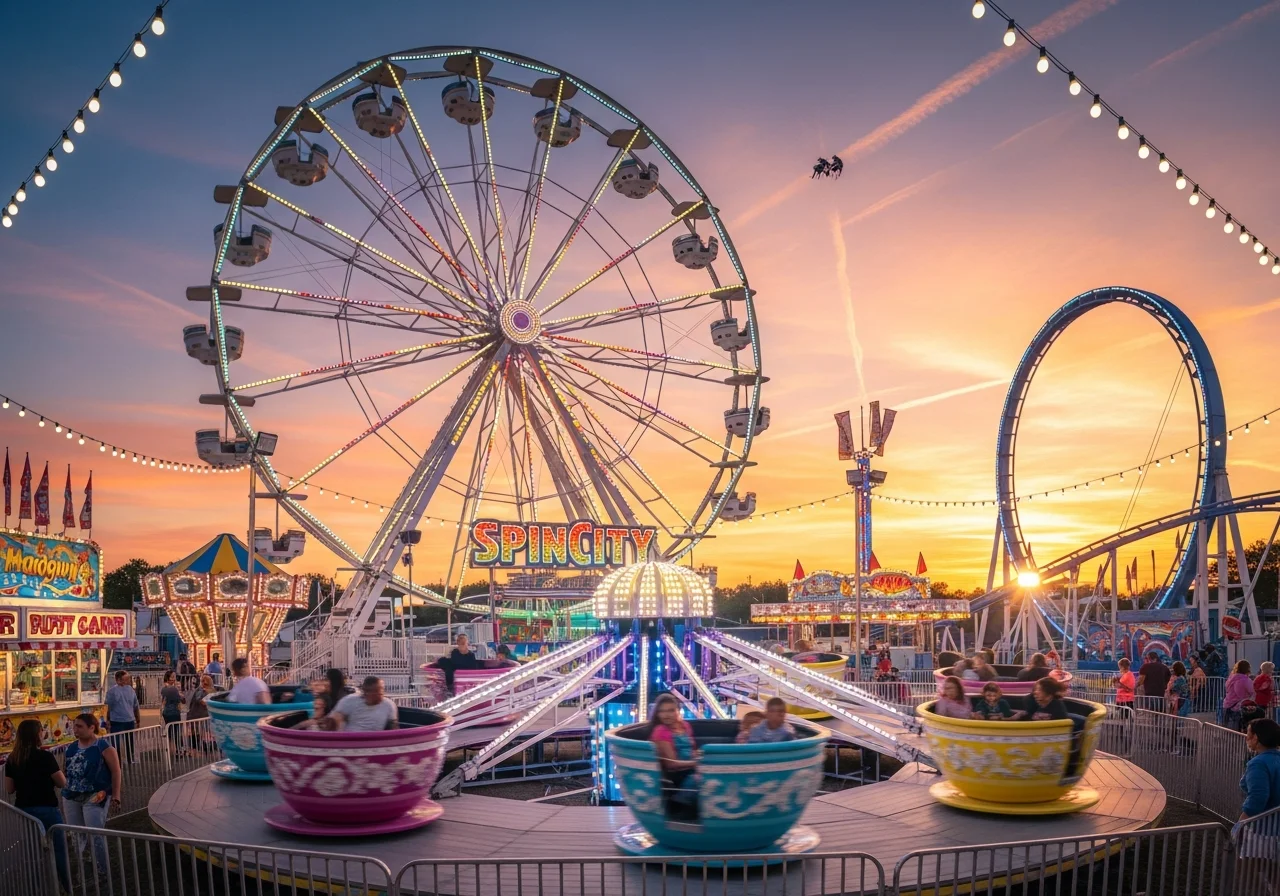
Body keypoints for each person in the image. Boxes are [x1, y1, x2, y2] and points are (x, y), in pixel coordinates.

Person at [4, 719, 70, 892]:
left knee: (31, 851)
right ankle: (66, 886)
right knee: (58, 849)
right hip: (47, 808)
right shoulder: (45, 756)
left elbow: (9, 789)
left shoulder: (13, 758)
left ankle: (35, 887)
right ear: (37, 734)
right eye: (41, 730)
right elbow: (62, 782)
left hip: (24, 810)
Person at [61, 713, 122, 881]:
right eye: (74, 726)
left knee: (95, 833)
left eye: (79, 726)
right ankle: (81, 865)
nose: (75, 730)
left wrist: (116, 795)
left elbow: (116, 771)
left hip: (96, 795)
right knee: (76, 833)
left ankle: (103, 870)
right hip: (71, 795)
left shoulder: (103, 747)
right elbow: (66, 770)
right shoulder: (71, 748)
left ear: (91, 727)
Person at [1237, 718, 1280, 893]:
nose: (1246, 737)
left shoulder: (1259, 763)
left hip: (1261, 831)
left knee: (1247, 871)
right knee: (1274, 873)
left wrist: (1240, 824)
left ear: (1256, 738)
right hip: (1275, 828)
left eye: (1248, 733)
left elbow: (1257, 798)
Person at [649, 692, 700, 818]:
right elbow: (671, 764)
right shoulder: (661, 731)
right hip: (675, 773)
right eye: (662, 711)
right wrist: (697, 763)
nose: (666, 715)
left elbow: (691, 750)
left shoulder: (685, 726)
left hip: (689, 767)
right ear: (658, 714)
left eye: (671, 710)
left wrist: (699, 756)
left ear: (678, 710)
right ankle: (679, 803)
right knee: (704, 779)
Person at [330, 676, 398, 732]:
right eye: (374, 692)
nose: (380, 694)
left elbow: (393, 728)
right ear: (365, 692)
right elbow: (333, 720)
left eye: (381, 690)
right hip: (350, 740)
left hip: (374, 741)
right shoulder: (349, 701)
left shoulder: (389, 705)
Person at [104, 669, 141, 764]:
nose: (128, 681)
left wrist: (137, 719)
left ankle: (122, 760)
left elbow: (108, 707)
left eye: (128, 679)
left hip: (123, 720)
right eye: (126, 679)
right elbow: (135, 706)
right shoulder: (114, 692)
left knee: (120, 742)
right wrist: (137, 719)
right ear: (118, 680)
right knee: (124, 742)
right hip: (121, 720)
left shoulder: (114, 691)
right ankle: (124, 760)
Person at [1225, 660, 1257, 731]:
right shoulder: (1245, 680)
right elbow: (1252, 692)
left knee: (1230, 729)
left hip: (1228, 705)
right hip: (1239, 706)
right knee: (1239, 730)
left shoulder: (1231, 678)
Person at [186, 673, 213, 754]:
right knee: (196, 732)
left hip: (199, 715)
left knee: (199, 732)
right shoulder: (200, 690)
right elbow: (199, 700)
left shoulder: (203, 690)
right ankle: (195, 750)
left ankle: (198, 749)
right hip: (196, 715)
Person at [160, 670, 185, 756]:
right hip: (173, 712)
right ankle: (178, 750)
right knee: (176, 731)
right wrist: (179, 693)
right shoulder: (172, 689)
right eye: (172, 677)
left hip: (167, 712)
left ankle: (171, 749)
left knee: (171, 731)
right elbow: (180, 699)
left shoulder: (164, 689)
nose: (174, 679)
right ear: (167, 678)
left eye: (174, 677)